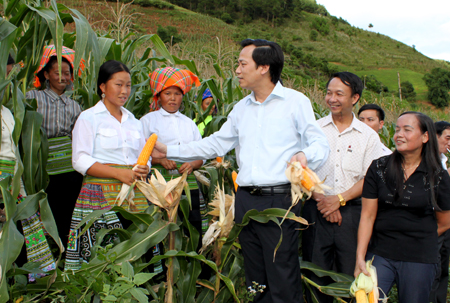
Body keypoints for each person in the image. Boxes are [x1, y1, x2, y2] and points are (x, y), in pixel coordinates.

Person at [151, 39, 329, 303]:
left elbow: (319, 143)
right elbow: (215, 143)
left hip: (279, 201)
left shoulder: (295, 102)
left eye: (242, 63)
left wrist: (305, 155)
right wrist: (168, 150)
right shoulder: (241, 108)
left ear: (264, 67)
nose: (237, 69)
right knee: (255, 275)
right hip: (245, 200)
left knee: (282, 273)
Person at [302, 72, 384, 303]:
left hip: (353, 215)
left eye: (340, 94)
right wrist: (324, 201)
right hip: (316, 211)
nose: (332, 98)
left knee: (350, 275)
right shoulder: (314, 130)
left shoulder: (368, 136)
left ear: (355, 98)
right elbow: (301, 170)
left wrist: (338, 199)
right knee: (315, 274)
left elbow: (370, 178)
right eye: (329, 93)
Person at [64, 60, 151, 271]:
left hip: (134, 195)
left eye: (128, 85)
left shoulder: (134, 121)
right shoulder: (89, 118)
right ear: (103, 86)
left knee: (134, 249)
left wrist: (144, 167)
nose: (125, 91)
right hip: (100, 194)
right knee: (101, 254)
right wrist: (118, 174)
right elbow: (80, 159)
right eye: (118, 84)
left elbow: (144, 156)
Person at [355, 112, 450, 303]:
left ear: (425, 137)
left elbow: (445, 221)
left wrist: (417, 237)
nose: (399, 134)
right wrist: (360, 256)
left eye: (407, 130)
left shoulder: (437, 176)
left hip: (420, 258)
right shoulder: (379, 168)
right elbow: (367, 215)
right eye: (397, 129)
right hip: (380, 254)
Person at [26, 45, 84, 248]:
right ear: (46, 74)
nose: (63, 77)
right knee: (44, 210)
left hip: (69, 169)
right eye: (58, 72)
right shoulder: (33, 98)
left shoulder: (74, 105)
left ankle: (65, 253)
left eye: (67, 73)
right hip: (42, 167)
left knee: (67, 211)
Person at [140, 66, 208, 242]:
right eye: (167, 93)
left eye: (177, 94)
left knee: (193, 225)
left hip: (188, 180)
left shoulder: (189, 124)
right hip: (158, 183)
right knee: (161, 227)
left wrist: (192, 164)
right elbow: (139, 154)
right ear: (159, 96)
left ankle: (193, 260)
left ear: (183, 96)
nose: (172, 98)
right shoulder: (147, 121)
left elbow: (202, 154)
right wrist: (160, 160)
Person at [0, 69, 56, 281]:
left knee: (24, 234)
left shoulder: (7, 112)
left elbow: (13, 154)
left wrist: (19, 188)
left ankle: (27, 284)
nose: (8, 84)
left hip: (13, 183)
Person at [429, 121, 450, 303]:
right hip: (435, 222)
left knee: (443, 267)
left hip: (446, 222)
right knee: (433, 269)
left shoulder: (444, 160)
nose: (449, 143)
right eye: (447, 138)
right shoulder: (429, 161)